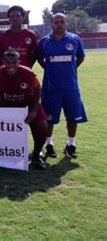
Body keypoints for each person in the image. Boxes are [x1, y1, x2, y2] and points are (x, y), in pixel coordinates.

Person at [36, 13, 88, 159]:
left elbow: (81, 57)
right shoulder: (44, 41)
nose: (59, 24)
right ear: (51, 24)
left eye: (62, 22)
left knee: (73, 118)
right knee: (49, 118)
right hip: (51, 88)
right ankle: (49, 144)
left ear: (67, 24)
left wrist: (70, 69)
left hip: (71, 87)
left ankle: (71, 145)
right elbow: (40, 59)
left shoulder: (74, 39)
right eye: (56, 22)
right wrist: (51, 69)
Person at [0, 50, 48, 170]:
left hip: (28, 103)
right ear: (3, 62)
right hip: (8, 104)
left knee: (42, 126)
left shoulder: (28, 73)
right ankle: (5, 154)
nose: (11, 65)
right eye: (8, 62)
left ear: (19, 62)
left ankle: (36, 156)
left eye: (14, 62)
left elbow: (38, 89)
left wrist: (33, 111)